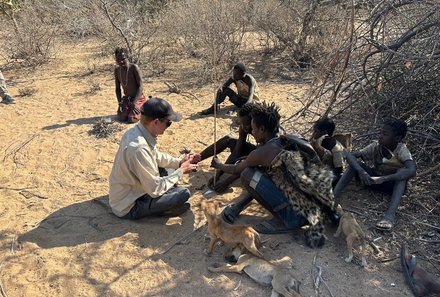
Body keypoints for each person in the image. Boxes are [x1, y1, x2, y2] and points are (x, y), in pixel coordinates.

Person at [211, 102, 335, 248]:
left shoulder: (264, 152)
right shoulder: (292, 137)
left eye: (254, 129)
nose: (252, 132)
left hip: (298, 215)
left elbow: (236, 170)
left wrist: (218, 165)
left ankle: (287, 220)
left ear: (262, 129)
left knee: (247, 175)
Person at [109, 97, 201, 219]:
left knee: (169, 171)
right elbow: (155, 188)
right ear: (156, 122)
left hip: (135, 189)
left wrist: (180, 162)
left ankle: (164, 203)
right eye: (168, 123)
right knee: (183, 194)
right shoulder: (139, 148)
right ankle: (161, 211)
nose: (168, 126)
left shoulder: (137, 132)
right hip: (129, 206)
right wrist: (181, 171)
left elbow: (156, 157)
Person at [333, 118, 416, 230]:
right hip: (374, 180)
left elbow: (412, 170)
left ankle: (389, 217)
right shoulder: (376, 146)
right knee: (356, 165)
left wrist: (384, 178)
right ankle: (332, 197)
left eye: (385, 134)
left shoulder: (401, 150)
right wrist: (362, 172)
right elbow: (350, 156)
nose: (380, 136)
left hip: (391, 186)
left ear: (397, 138)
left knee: (402, 175)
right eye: (380, 133)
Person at [199, 103, 257, 192]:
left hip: (266, 158)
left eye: (247, 125)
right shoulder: (244, 127)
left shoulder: (264, 132)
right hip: (257, 152)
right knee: (229, 140)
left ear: (254, 122)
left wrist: (227, 181)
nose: (244, 128)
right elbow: (237, 151)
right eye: (242, 124)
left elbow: (254, 161)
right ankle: (195, 159)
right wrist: (219, 172)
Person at [114, 47, 147, 123]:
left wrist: (134, 102)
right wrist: (120, 103)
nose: (121, 62)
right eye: (118, 60)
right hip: (127, 99)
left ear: (127, 57)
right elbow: (117, 88)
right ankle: (129, 108)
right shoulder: (117, 70)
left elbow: (140, 86)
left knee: (131, 119)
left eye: (123, 59)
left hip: (137, 98)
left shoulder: (134, 68)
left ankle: (142, 108)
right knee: (122, 118)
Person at [309, 117, 345, 186]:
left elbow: (339, 170)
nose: (313, 133)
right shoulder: (316, 140)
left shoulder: (336, 148)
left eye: (316, 131)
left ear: (324, 133)